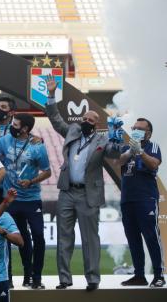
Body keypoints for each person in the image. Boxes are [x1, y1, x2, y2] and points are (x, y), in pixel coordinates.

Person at [45, 75, 120, 291]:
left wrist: (115, 138)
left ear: (96, 125)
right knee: (64, 236)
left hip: (89, 194)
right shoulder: (72, 131)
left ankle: (93, 279)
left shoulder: (103, 140)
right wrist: (51, 95)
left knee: (90, 239)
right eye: (84, 119)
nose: (86, 122)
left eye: (90, 121)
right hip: (67, 191)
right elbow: (55, 118)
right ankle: (64, 279)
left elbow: (114, 153)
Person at [0, 113, 51, 289]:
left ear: (24, 128)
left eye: (15, 124)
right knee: (7, 238)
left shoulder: (37, 146)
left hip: (31, 200)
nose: (12, 126)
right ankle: (7, 278)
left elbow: (47, 172)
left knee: (38, 236)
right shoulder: (5, 140)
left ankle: (34, 277)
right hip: (10, 200)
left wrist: (31, 181)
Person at [118, 118, 165, 287]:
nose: (135, 130)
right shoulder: (126, 146)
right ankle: (139, 275)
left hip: (146, 198)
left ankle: (159, 275)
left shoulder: (153, 146)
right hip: (127, 199)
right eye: (134, 128)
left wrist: (140, 152)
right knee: (133, 238)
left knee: (151, 237)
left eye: (140, 129)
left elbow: (154, 164)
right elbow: (120, 161)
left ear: (148, 133)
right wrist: (131, 150)